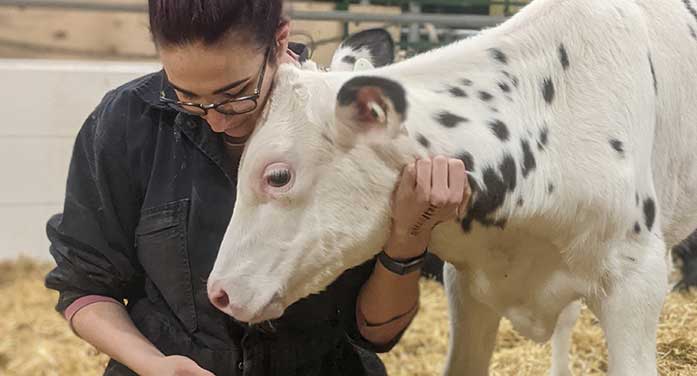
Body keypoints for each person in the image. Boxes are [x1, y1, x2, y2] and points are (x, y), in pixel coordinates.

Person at [44, 1, 470, 375]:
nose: (215, 120)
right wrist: (153, 365)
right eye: (186, 97)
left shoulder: (352, 125)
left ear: (280, 42)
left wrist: (411, 234)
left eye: (235, 95)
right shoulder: (128, 121)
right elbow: (85, 286)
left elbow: (376, 334)